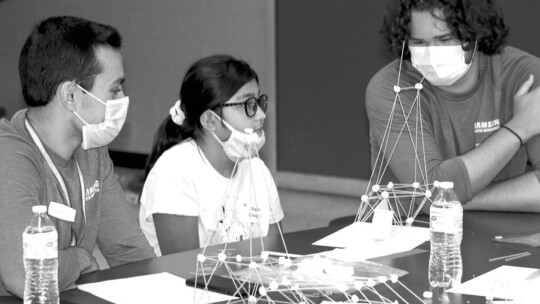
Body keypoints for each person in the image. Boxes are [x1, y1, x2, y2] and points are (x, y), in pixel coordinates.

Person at [0, 16, 155, 297]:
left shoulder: (91, 149)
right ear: (71, 96)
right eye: (115, 88)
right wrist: (80, 257)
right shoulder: (7, 155)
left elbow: (130, 251)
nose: (122, 97)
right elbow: (26, 276)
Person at [366, 0, 540, 212]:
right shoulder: (391, 88)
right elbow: (431, 195)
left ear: (474, 33)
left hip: (499, 230)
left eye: (445, 39)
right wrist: (519, 127)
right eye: (419, 43)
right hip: (410, 233)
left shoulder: (524, 76)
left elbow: (435, 198)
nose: (432, 54)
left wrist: (460, 198)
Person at [139, 55, 284, 256]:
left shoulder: (257, 169)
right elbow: (184, 272)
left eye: (259, 101)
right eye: (247, 104)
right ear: (209, 119)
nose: (261, 115)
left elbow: (275, 256)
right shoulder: (174, 172)